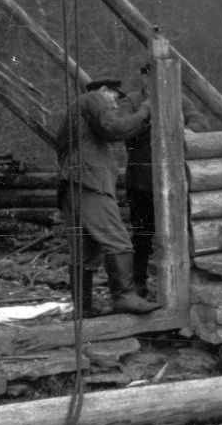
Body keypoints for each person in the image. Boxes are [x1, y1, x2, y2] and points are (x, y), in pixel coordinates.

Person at [54, 78, 163, 316]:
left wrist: (142, 121)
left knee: (85, 251)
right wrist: (145, 110)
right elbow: (115, 129)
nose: (114, 106)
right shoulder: (92, 99)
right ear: (104, 91)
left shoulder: (80, 113)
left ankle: (83, 308)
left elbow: (121, 129)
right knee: (118, 239)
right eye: (113, 99)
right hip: (90, 182)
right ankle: (125, 297)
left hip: (75, 184)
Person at [119, 63, 210, 298]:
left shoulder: (179, 99)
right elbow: (124, 129)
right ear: (144, 77)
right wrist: (148, 119)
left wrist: (185, 131)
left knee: (180, 232)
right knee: (142, 235)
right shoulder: (131, 101)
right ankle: (138, 285)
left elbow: (200, 122)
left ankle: (184, 284)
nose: (156, 81)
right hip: (142, 181)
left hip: (174, 182)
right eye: (151, 76)